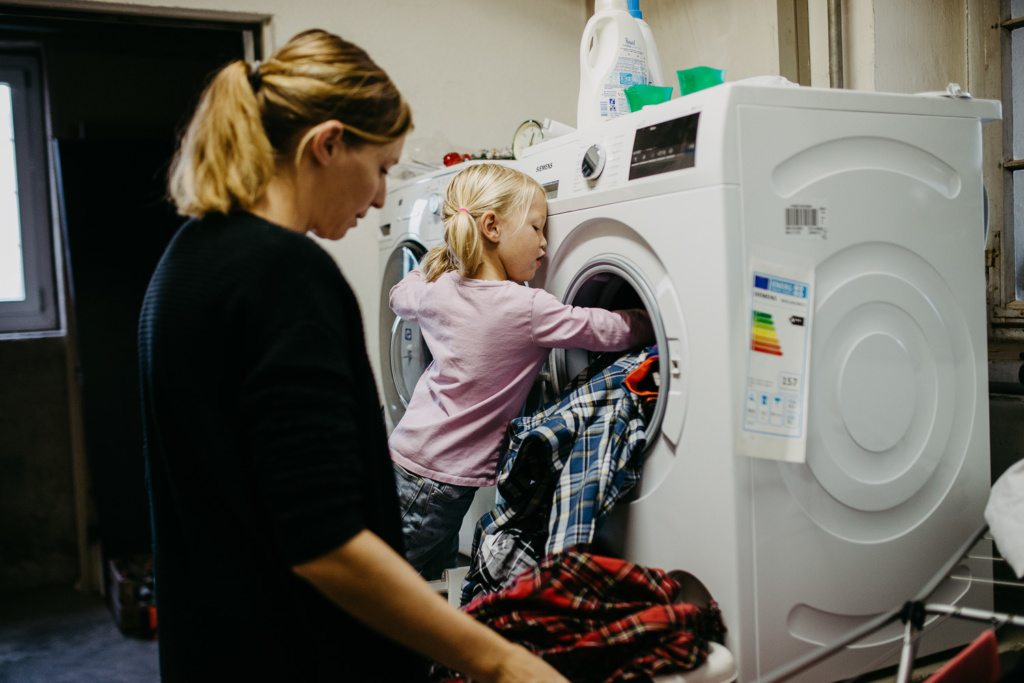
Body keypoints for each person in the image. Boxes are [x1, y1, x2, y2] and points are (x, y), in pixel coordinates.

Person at [138, 29, 567, 683]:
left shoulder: (187, 259)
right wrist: (501, 661)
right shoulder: (284, 275)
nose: (377, 197)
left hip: (214, 646)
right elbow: (325, 543)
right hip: (293, 653)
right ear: (328, 144)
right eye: (382, 168)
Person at [389, 163, 654, 580]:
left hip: (409, 458)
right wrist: (651, 321)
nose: (545, 245)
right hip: (437, 483)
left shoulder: (438, 288)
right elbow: (599, 328)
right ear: (492, 227)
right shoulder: (527, 308)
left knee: (418, 580)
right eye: (536, 228)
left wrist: (430, 266)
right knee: (393, 587)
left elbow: (399, 296)